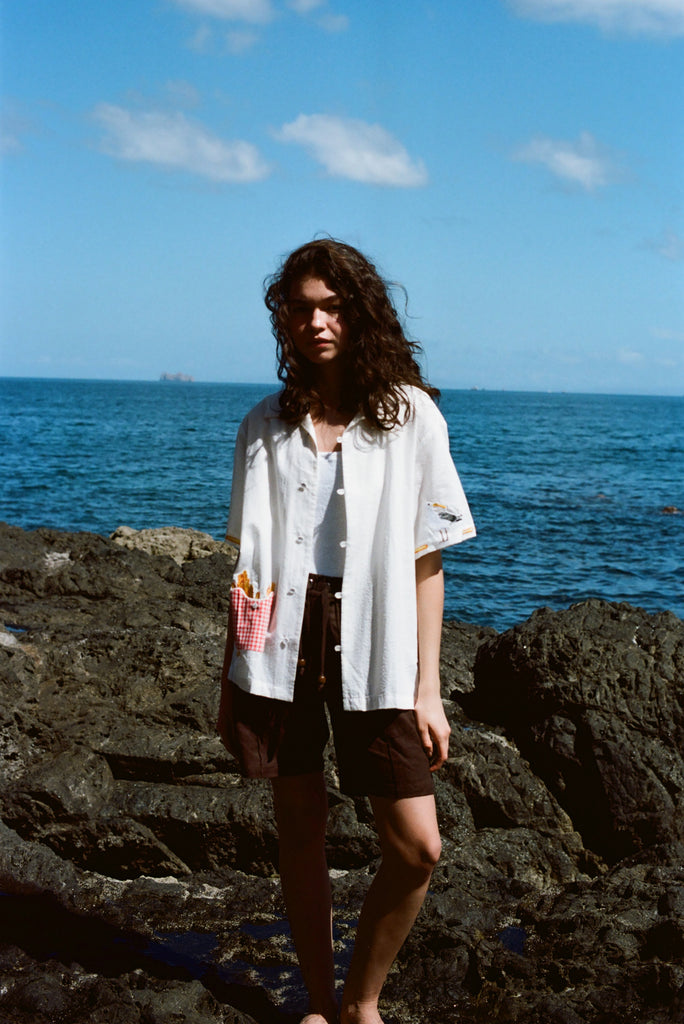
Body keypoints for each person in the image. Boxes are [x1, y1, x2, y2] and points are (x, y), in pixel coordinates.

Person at [218, 238, 475, 1024]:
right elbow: (247, 568)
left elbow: (427, 562)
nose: (317, 321)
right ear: (284, 320)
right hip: (277, 646)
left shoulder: (409, 416)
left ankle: (364, 999)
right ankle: (323, 1003)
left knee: (417, 848)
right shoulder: (263, 424)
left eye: (332, 306)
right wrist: (231, 679)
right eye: (301, 308)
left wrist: (429, 690)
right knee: (302, 835)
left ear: (359, 314)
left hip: (377, 638)